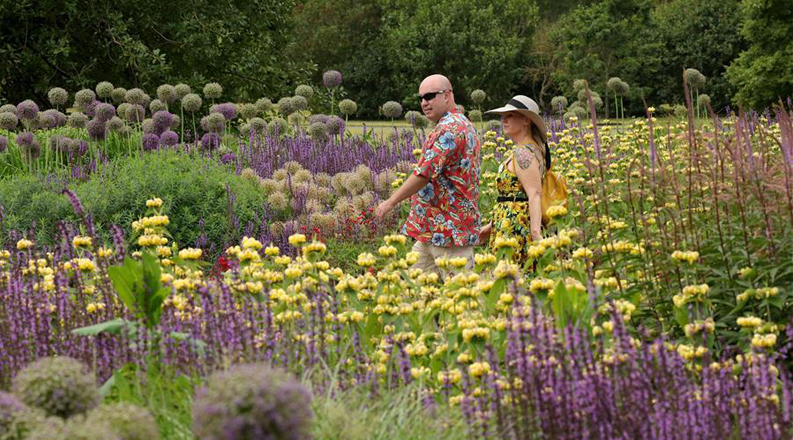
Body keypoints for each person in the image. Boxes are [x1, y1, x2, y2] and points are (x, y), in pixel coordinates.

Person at [374, 74, 480, 274]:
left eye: (430, 96)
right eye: (421, 98)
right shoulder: (460, 123)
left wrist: (390, 202)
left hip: (449, 231)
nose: (424, 102)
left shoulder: (450, 128)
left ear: (447, 95)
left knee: (462, 295)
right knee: (414, 288)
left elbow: (424, 173)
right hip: (432, 229)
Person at [478, 95, 550, 267]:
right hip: (508, 225)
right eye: (503, 116)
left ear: (526, 120)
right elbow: (514, 196)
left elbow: (534, 194)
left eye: (510, 115)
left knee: (512, 280)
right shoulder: (525, 150)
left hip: (517, 229)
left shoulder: (524, 153)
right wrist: (491, 226)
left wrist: (535, 234)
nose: (504, 120)